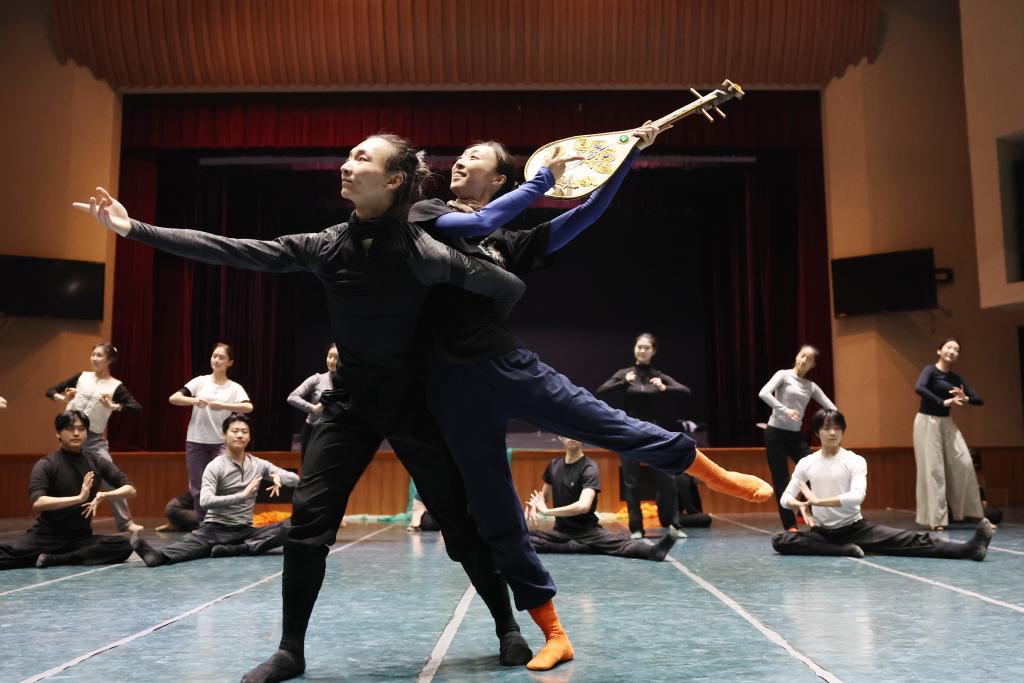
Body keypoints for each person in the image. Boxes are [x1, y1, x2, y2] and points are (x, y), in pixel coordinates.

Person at [74, 133, 533, 682]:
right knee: (308, 526)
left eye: (361, 158)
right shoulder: (326, 244)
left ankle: (507, 628)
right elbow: (232, 248)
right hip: (349, 402)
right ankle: (290, 651)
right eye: (348, 155)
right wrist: (133, 229)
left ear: (394, 181)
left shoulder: (424, 250)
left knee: (458, 522)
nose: (346, 165)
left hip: (410, 400)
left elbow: (507, 286)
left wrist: (464, 341)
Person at [411, 128, 773, 670]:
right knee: (495, 512)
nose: (460, 161)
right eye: (460, 155)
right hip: (450, 385)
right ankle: (553, 633)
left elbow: (585, 213)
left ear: (500, 178)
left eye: (474, 157)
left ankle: (710, 473)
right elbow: (479, 223)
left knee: (606, 422)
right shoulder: (427, 213)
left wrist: (628, 157)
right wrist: (542, 182)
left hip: (506, 365)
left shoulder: (510, 243)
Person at [772, 409, 994, 560]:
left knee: (912, 539)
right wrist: (800, 505)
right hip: (821, 533)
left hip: (856, 529)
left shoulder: (855, 460)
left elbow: (857, 497)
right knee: (780, 540)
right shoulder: (807, 463)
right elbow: (785, 498)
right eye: (826, 428)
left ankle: (969, 549)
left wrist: (819, 502)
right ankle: (840, 550)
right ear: (816, 432)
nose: (832, 433)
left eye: (837, 428)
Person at [132, 414, 298, 565]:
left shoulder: (259, 464)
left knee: (293, 524)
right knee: (190, 545)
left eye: (244, 432)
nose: (240, 435)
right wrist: (242, 496)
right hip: (216, 529)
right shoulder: (215, 466)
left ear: (249, 437)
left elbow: (295, 479)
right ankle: (158, 556)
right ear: (224, 436)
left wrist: (278, 476)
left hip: (245, 531)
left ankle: (238, 549)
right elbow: (205, 501)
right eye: (235, 431)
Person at [0, 410, 136, 569]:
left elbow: (130, 489)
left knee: (123, 545)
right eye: (70, 429)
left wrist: (105, 495)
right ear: (58, 433)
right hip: (46, 536)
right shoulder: (47, 464)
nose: (76, 433)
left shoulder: (96, 461)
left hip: (80, 538)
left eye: (81, 429)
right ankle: (54, 556)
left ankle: (56, 559)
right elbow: (38, 503)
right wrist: (78, 499)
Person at [597, 332, 691, 538]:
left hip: (654, 431)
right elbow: (601, 391)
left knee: (666, 478)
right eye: (639, 347)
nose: (642, 350)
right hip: (629, 431)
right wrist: (622, 383)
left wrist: (664, 388)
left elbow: (685, 391)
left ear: (653, 351)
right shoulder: (625, 374)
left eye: (646, 347)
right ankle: (637, 528)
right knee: (631, 481)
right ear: (634, 349)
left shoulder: (658, 375)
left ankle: (674, 524)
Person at [526, 437, 677, 561]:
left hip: (588, 531)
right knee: (525, 539)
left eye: (574, 432)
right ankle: (580, 547)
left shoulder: (589, 467)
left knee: (622, 542)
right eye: (566, 433)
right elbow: (543, 497)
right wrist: (534, 506)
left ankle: (654, 551)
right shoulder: (553, 465)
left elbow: (583, 506)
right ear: (559, 436)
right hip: (560, 532)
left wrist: (547, 512)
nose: (571, 436)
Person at [46, 342, 143, 533]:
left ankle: (125, 523)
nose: (94, 359)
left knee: (110, 479)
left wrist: (113, 406)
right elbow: (50, 391)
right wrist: (64, 399)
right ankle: (55, 522)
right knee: (61, 477)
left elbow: (135, 407)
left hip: (94, 440)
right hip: (69, 438)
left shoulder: (115, 386)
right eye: (93, 355)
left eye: (99, 355)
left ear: (110, 360)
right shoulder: (81, 377)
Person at [169, 342, 253, 523]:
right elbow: (174, 398)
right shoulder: (200, 381)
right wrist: (194, 401)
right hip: (196, 440)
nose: (216, 360)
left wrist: (223, 405)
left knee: (221, 482)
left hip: (221, 442)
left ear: (230, 362)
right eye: (214, 356)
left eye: (221, 357)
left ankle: (223, 521)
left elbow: (248, 407)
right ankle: (202, 524)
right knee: (198, 485)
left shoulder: (234, 387)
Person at [758, 345, 836, 530]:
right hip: (775, 434)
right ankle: (790, 525)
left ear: (813, 365)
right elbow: (763, 393)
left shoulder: (811, 386)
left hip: (795, 436)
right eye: (802, 356)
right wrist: (784, 410)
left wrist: (835, 423)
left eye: (809, 359)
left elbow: (831, 407)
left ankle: (804, 509)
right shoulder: (783, 375)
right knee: (782, 481)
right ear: (797, 357)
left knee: (816, 471)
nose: (804, 360)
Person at [913, 338, 985, 530]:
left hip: (946, 422)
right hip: (927, 421)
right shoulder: (930, 370)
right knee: (934, 469)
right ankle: (936, 520)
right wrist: (942, 402)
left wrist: (965, 398)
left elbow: (979, 400)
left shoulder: (955, 378)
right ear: (939, 350)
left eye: (956, 349)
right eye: (949, 347)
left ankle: (973, 513)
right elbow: (919, 387)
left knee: (965, 463)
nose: (952, 351)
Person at [287, 344, 338, 456]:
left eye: (336, 358)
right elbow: (292, 397)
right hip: (312, 430)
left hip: (334, 433)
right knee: (307, 465)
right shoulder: (317, 379)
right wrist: (312, 408)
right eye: (329, 356)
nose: (331, 361)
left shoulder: (347, 384)